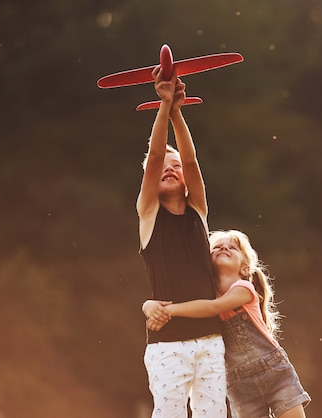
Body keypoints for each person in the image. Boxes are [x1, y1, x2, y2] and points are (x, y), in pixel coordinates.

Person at [143, 230, 311, 418]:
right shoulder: (202, 298)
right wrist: (148, 305)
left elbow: (213, 308)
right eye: (217, 247)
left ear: (244, 268)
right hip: (239, 387)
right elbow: (195, 304)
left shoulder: (243, 289)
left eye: (232, 247)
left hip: (274, 373)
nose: (224, 248)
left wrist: (168, 311)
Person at [137, 65, 226, 418]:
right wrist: (163, 106)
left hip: (210, 340)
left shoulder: (197, 211)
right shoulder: (148, 215)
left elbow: (189, 160)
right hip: (167, 344)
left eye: (175, 168)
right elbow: (156, 155)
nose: (169, 169)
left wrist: (177, 113)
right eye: (160, 170)